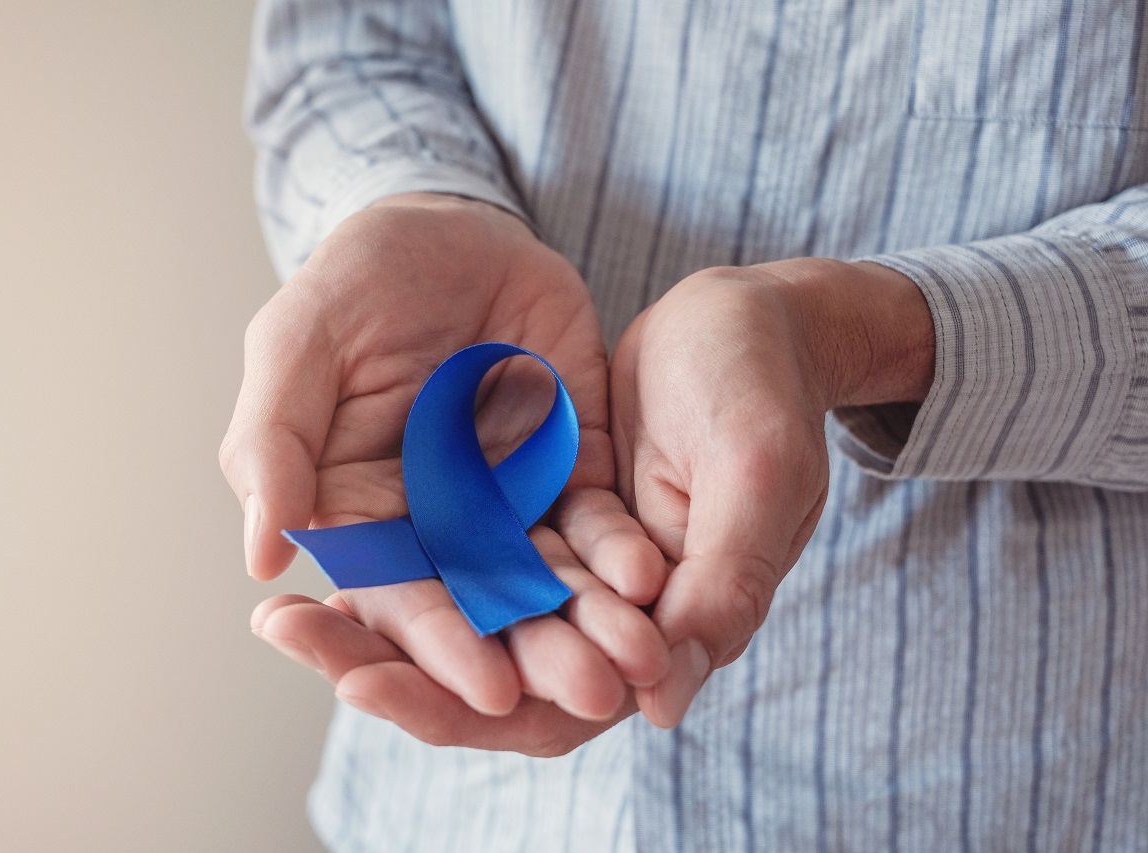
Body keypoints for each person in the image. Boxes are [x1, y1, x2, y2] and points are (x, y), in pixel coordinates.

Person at [220, 1, 1148, 849]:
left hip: (1000, 791)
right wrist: (413, 199)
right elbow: (346, 50)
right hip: (454, 807)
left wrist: (863, 331)